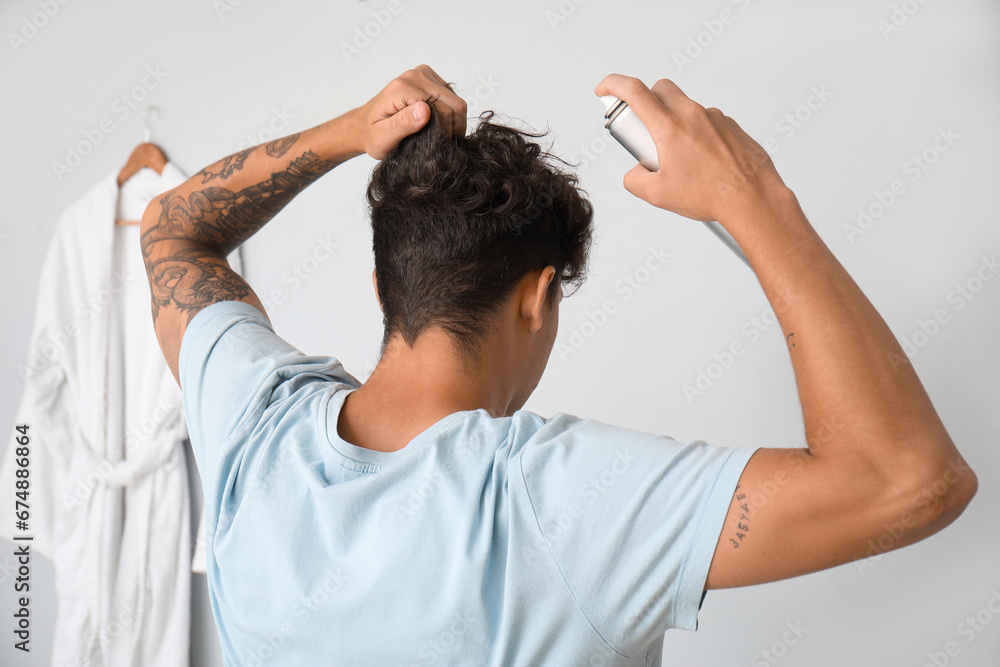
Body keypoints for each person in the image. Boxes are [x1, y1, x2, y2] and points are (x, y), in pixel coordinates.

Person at [139, 65, 978, 665]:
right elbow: (908, 480)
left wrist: (352, 134)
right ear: (539, 298)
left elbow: (172, 228)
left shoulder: (253, 424)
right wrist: (753, 198)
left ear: (382, 288)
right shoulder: (562, 503)